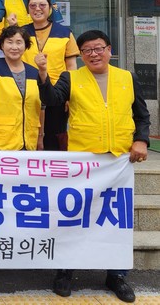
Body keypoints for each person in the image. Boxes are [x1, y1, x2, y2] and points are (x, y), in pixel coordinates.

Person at [36, 30, 150, 303]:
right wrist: (43, 73)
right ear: (81, 55)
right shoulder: (71, 78)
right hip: (83, 162)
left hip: (118, 162)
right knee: (74, 216)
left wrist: (141, 140)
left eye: (98, 48)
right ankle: (65, 271)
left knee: (115, 220)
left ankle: (117, 275)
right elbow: (51, 99)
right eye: (87, 50)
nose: (93, 54)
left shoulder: (127, 77)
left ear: (109, 50)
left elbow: (142, 115)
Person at [21, 0, 79, 151]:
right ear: (27, 9)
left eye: (42, 5)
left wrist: (70, 95)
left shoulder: (65, 33)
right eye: (33, 5)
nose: (37, 9)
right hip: (28, 92)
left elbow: (71, 66)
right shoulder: (21, 33)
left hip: (57, 92)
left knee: (54, 138)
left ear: (50, 8)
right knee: (28, 136)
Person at [0, 26, 41, 150]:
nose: (14, 47)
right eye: (9, 42)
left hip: (28, 144)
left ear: (26, 46)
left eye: (19, 42)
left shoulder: (34, 73)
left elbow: (41, 108)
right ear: (2, 46)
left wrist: (40, 137)